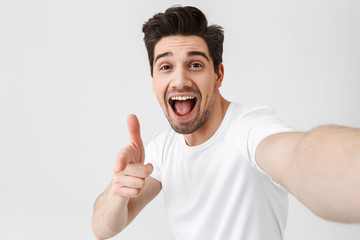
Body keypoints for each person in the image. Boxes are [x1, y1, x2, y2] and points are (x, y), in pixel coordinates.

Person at [91, 6, 360, 240]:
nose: (180, 80)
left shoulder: (250, 130)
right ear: (153, 81)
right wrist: (118, 191)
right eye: (165, 67)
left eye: (195, 64)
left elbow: (298, 158)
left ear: (218, 74)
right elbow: (102, 228)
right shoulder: (162, 149)